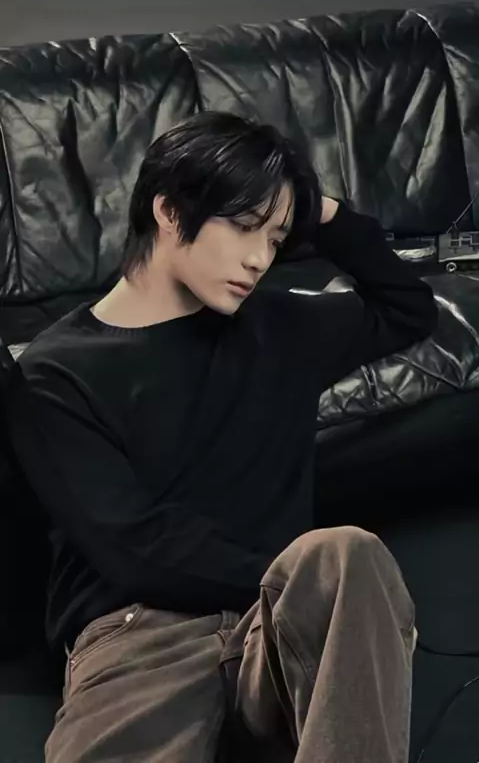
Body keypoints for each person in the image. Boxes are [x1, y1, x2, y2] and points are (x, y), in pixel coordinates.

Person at [8, 111, 436, 763]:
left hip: (276, 626)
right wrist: (275, 579)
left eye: (276, 238)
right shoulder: (55, 373)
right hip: (144, 639)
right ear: (169, 211)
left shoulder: (281, 327)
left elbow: (406, 306)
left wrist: (316, 209)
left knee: (347, 554)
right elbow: (135, 549)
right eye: (243, 226)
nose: (260, 258)